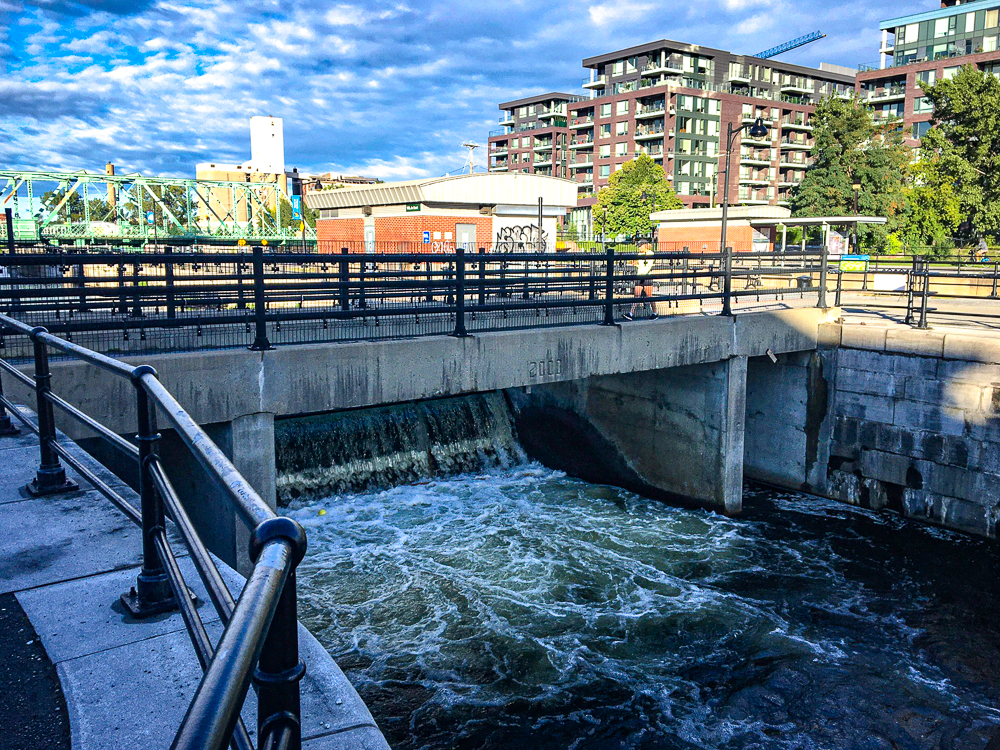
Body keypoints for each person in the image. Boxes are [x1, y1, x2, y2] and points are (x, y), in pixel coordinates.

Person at [622, 243, 658, 320]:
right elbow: (640, 265)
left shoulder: (650, 254)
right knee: (636, 294)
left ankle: (655, 313)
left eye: (640, 246)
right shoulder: (639, 254)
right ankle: (631, 313)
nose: (639, 248)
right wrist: (636, 264)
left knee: (649, 296)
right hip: (639, 275)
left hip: (646, 276)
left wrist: (643, 274)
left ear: (645, 245)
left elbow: (649, 266)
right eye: (639, 247)